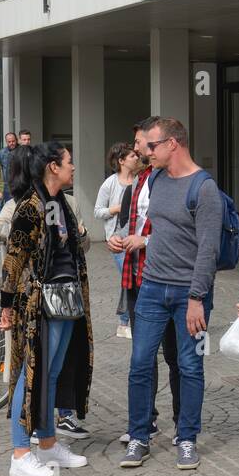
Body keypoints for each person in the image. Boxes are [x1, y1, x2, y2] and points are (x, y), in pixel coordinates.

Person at [120, 117, 222, 471]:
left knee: (190, 365)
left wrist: (196, 299)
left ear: (172, 145)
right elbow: (156, 230)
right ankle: (138, 436)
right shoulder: (157, 179)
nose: (144, 152)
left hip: (188, 295)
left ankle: (187, 438)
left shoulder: (204, 188)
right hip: (151, 288)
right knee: (139, 363)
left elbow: (208, 249)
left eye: (151, 146)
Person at [0, 141, 93, 476]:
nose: (73, 167)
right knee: (31, 372)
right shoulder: (30, 206)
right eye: (69, 161)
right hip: (40, 302)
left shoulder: (60, 203)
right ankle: (20, 452)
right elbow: (13, 260)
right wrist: (6, 307)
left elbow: (74, 246)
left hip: (66, 298)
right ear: (53, 166)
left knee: (53, 372)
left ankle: (48, 444)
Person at [109, 121, 181, 444]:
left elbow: (176, 232)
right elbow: (132, 224)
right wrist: (119, 238)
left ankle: (183, 423)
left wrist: (145, 242)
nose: (137, 150)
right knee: (143, 354)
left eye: (142, 144)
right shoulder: (137, 182)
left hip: (168, 278)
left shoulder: (172, 180)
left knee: (177, 356)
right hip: (138, 278)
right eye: (138, 144)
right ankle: (145, 421)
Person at [96, 142, 140, 338]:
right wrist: (115, 209)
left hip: (135, 237)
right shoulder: (110, 183)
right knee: (129, 277)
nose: (136, 158)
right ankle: (125, 322)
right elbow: (98, 211)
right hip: (117, 240)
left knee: (131, 278)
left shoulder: (140, 181)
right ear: (121, 161)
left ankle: (126, 322)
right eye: (132, 156)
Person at [0, 132, 19, 204]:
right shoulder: (1, 153)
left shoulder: (21, 151)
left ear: (16, 140)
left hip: (20, 185)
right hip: (7, 187)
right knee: (8, 206)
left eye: (13, 141)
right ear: (6, 142)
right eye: (9, 142)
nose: (11, 143)